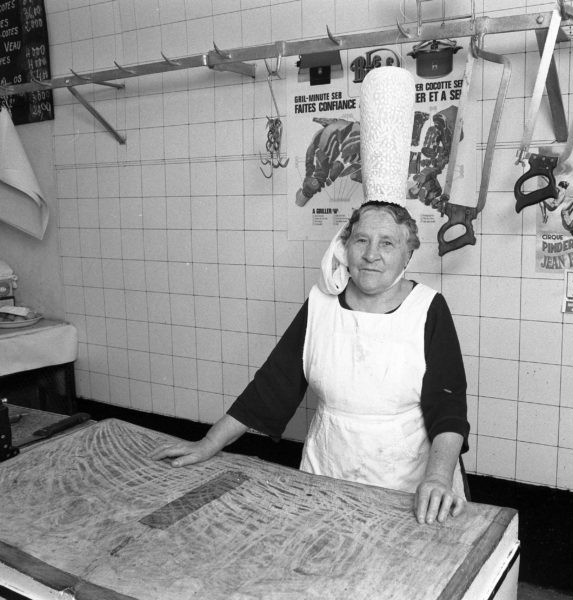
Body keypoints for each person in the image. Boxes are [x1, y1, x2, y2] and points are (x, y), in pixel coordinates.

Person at [149, 67, 470, 527]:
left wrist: (438, 477)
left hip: (411, 487)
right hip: (327, 473)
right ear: (345, 244)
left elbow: (448, 405)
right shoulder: (322, 304)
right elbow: (272, 384)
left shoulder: (428, 309)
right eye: (361, 241)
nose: (372, 255)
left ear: (407, 255)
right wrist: (207, 444)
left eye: (388, 244)